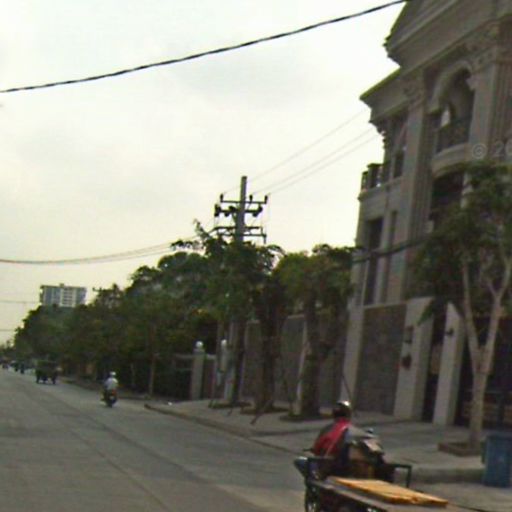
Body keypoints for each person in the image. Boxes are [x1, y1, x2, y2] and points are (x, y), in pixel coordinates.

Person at [294, 401, 353, 479]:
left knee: (299, 461)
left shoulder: (328, 429)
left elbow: (317, 448)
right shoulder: (353, 430)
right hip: (346, 470)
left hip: (327, 467)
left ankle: (315, 479)